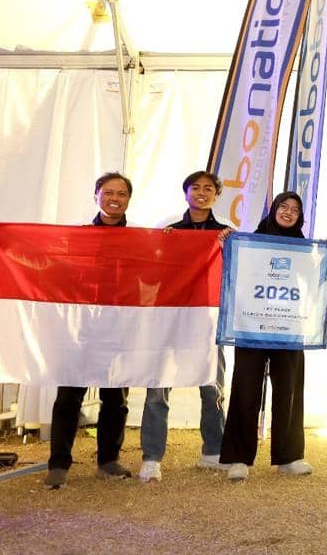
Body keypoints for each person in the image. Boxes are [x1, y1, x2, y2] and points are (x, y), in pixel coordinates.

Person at [138, 170, 232, 483]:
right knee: (157, 389)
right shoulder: (170, 230)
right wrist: (160, 248)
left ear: (216, 195)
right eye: (195, 188)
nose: (201, 193)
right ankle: (152, 458)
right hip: (170, 319)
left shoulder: (226, 233)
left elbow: (237, 274)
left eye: (208, 188)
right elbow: (149, 275)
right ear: (186, 192)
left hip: (208, 319)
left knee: (213, 388)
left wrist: (230, 247)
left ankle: (213, 451)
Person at [44, 171, 135, 489]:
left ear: (128, 199)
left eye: (121, 193)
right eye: (108, 192)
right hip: (79, 327)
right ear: (96, 196)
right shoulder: (77, 237)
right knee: (69, 396)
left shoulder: (138, 241)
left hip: (118, 326)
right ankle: (58, 464)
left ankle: (108, 460)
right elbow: (50, 264)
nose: (114, 198)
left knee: (116, 397)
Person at [220, 191, 313, 480]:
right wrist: (226, 245)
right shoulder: (251, 242)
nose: (288, 212)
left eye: (295, 209)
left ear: (300, 217)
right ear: (273, 210)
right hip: (252, 324)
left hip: (289, 326)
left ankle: (289, 456)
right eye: (283, 206)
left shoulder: (305, 248)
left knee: (289, 389)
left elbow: (314, 281)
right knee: (246, 388)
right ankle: (239, 459)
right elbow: (234, 272)